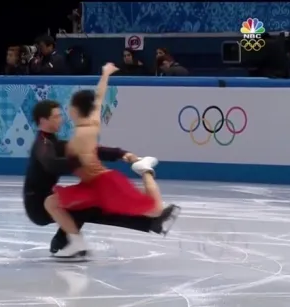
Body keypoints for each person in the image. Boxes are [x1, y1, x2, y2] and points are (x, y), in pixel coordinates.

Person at [45, 63, 180, 258]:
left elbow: (77, 161)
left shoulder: (80, 137)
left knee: (156, 210)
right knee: (51, 202)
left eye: (70, 107)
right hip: (90, 186)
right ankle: (76, 242)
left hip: (105, 183)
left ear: (74, 110)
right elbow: (99, 97)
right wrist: (106, 74)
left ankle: (146, 170)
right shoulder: (92, 122)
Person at [24, 100, 179, 254]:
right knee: (89, 207)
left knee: (95, 207)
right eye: (56, 117)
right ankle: (67, 242)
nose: (61, 119)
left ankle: (66, 243)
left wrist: (121, 154)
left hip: (49, 198)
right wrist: (81, 160)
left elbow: (88, 150)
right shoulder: (42, 144)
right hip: (37, 205)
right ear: (43, 120)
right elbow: (51, 164)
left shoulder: (53, 142)